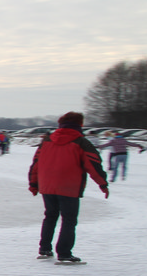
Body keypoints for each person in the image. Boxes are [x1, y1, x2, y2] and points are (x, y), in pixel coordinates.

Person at [27, 111, 108, 264]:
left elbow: (36, 163)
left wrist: (33, 183)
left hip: (47, 186)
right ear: (80, 124)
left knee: (50, 216)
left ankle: (45, 248)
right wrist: (103, 183)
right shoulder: (81, 142)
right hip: (69, 187)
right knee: (69, 220)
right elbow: (94, 164)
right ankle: (64, 253)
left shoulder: (47, 140)